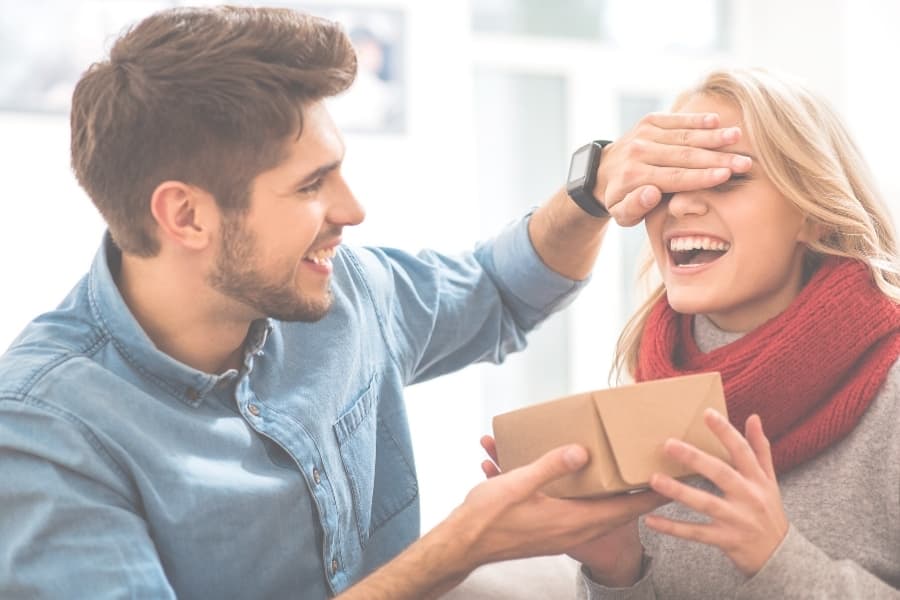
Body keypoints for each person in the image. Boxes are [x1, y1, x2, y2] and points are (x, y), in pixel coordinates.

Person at [0, 7, 754, 599]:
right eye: (310, 185)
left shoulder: (343, 293)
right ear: (186, 216)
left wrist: (594, 188)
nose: (353, 210)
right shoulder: (47, 431)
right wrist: (458, 549)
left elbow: (498, 292)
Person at [562, 67, 900, 598]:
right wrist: (617, 571)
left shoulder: (894, 392)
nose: (680, 205)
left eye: (726, 178)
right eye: (667, 182)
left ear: (814, 216)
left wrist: (777, 559)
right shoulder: (648, 379)